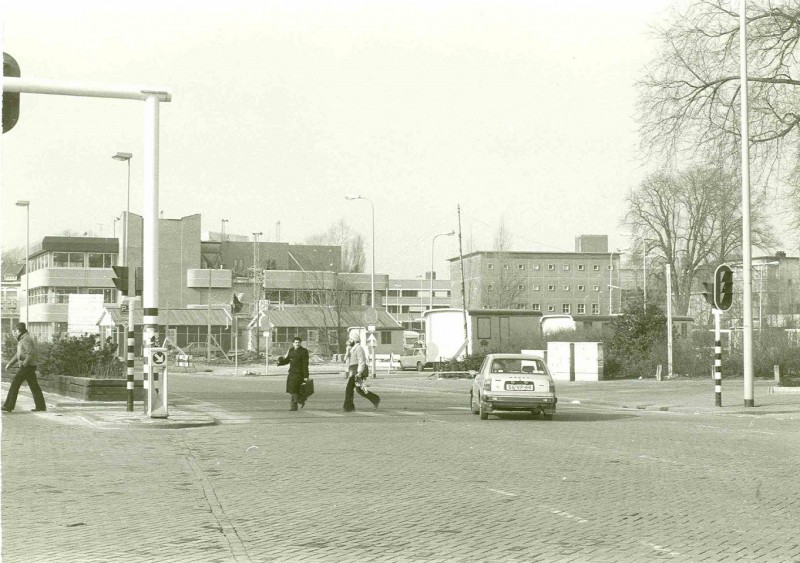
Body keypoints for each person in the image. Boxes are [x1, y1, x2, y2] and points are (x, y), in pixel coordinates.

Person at [3, 322, 47, 413]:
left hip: (27, 366)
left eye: (15, 330)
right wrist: (10, 364)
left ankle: (8, 406)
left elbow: (30, 353)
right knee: (34, 386)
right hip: (30, 366)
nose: (14, 332)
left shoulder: (26, 339)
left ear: (19, 330)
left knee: (15, 384)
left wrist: (24, 364)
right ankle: (41, 406)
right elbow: (18, 354)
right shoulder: (23, 338)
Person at [343, 338, 380, 412]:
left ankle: (349, 407)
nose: (348, 341)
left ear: (354, 340)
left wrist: (359, 372)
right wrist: (347, 352)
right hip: (352, 372)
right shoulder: (351, 349)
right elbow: (346, 360)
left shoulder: (359, 348)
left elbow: (362, 361)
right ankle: (375, 399)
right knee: (360, 390)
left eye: (350, 340)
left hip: (356, 372)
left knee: (349, 389)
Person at [277, 336, 310, 411]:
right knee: (292, 390)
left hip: (300, 373)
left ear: (300, 343)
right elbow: (288, 360)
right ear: (293, 343)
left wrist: (306, 375)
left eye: (299, 342)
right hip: (292, 372)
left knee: (295, 389)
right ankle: (294, 407)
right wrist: (280, 363)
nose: (297, 344)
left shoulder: (304, 351)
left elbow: (305, 364)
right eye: (296, 342)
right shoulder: (291, 350)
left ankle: (300, 400)